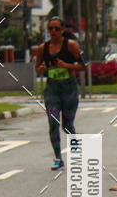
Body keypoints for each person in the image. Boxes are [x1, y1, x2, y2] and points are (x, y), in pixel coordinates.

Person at [34, 15, 85, 171]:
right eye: (50, 28)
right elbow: (38, 68)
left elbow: (83, 65)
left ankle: (76, 152)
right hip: (52, 89)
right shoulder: (42, 48)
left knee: (67, 125)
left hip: (69, 88)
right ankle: (58, 158)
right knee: (53, 123)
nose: (53, 31)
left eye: (56, 28)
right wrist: (41, 69)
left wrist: (67, 66)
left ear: (62, 30)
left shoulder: (71, 45)